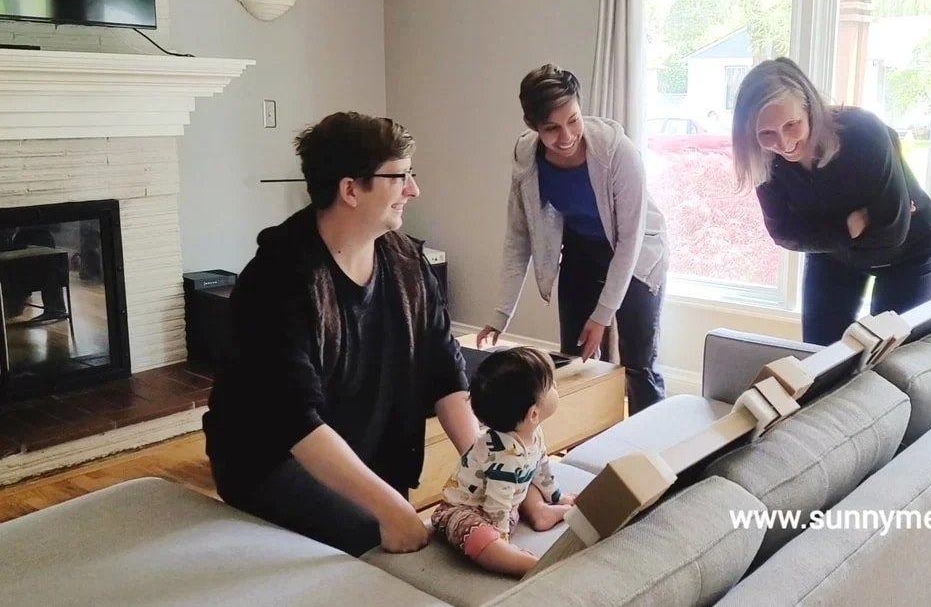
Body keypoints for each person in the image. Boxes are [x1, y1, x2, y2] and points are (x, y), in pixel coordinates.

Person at [202, 112, 484, 557]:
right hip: (273, 462)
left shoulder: (407, 262)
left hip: (369, 450)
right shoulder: (279, 279)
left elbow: (447, 375)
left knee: (413, 537)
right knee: (382, 539)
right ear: (350, 189)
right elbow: (297, 423)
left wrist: (491, 469)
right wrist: (390, 511)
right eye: (400, 177)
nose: (413, 190)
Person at [477, 63, 671, 415]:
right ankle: (585, 448)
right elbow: (519, 237)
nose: (566, 136)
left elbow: (629, 240)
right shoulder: (526, 157)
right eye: (551, 128)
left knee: (638, 365)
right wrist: (501, 313)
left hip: (637, 254)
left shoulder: (618, 153)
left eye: (573, 120)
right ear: (533, 126)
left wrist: (602, 316)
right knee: (574, 358)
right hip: (582, 251)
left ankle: (655, 454)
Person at [730, 58, 931, 346]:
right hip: (834, 256)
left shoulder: (863, 133)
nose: (783, 144)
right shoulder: (765, 160)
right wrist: (848, 229)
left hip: (911, 252)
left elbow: (892, 233)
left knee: (893, 356)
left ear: (809, 106)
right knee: (821, 356)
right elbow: (783, 233)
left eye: (791, 125)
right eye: (766, 134)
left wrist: (821, 233)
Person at [431, 346, 576, 577]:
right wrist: (501, 539)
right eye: (551, 387)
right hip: (464, 511)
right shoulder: (503, 456)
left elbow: (541, 468)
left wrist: (557, 497)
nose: (556, 389)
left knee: (528, 479)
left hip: (508, 501)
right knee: (477, 535)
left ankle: (540, 511)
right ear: (533, 414)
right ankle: (522, 564)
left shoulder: (533, 433)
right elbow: (496, 504)